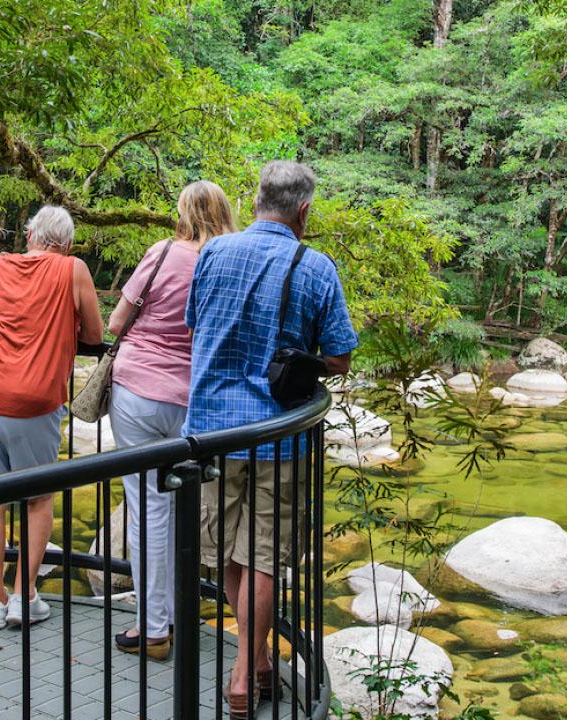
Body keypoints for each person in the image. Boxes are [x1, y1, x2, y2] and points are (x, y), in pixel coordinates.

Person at [184, 161, 357, 717]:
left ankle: (256, 663)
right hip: (276, 439)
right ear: (303, 210)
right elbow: (340, 357)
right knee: (261, 557)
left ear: (255, 199)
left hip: (210, 431)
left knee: (233, 555)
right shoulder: (315, 266)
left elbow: (195, 323)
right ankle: (242, 677)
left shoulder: (212, 252)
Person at [0, 205, 103, 630]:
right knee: (37, 498)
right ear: (67, 243)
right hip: (33, 401)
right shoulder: (74, 270)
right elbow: (94, 335)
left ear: (31, 234)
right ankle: (24, 594)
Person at [107, 181, 237, 660]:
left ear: (183, 213)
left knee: (146, 509)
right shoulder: (227, 262)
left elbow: (117, 322)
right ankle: (185, 613)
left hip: (139, 392)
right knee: (185, 508)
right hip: (195, 401)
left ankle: (153, 628)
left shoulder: (163, 252)